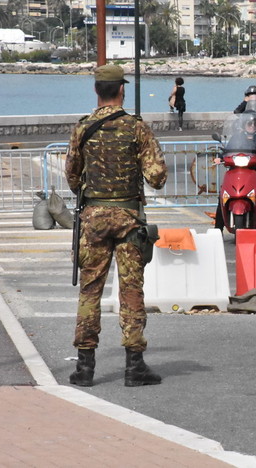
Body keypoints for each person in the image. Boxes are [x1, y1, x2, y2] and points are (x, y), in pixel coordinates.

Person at [64, 64, 168, 388]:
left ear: (97, 91)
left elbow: (71, 175)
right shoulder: (136, 128)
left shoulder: (83, 128)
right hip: (128, 222)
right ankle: (134, 366)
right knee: (131, 291)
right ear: (121, 90)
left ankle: (84, 368)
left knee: (90, 291)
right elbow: (158, 177)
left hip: (93, 221)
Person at [213, 110, 256, 230]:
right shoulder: (237, 137)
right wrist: (219, 158)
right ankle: (218, 229)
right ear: (244, 125)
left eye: (254, 124)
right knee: (223, 196)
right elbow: (227, 150)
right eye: (249, 124)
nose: (252, 126)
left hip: (255, 169)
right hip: (236, 169)